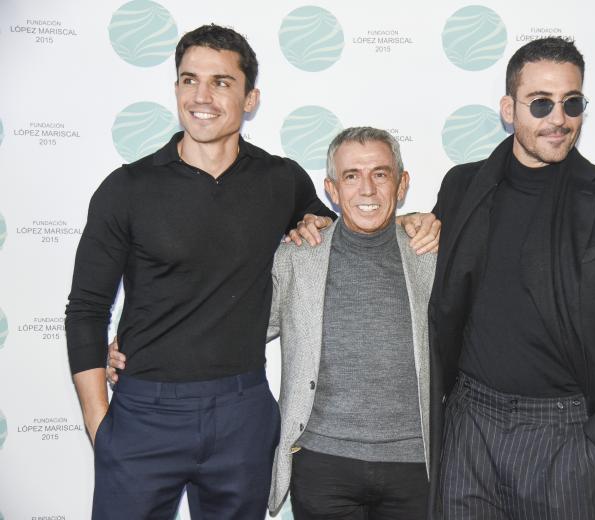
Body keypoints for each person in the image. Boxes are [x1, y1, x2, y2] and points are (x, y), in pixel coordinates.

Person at [65, 24, 436, 519]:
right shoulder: (126, 188)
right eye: (188, 79)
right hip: (144, 411)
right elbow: (86, 310)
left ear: (250, 98)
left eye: (221, 82)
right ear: (175, 88)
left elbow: (352, 219)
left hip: (242, 410)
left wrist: (411, 220)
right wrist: (100, 425)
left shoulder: (282, 181)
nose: (202, 96)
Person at [109, 127, 436, 519]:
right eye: (351, 176)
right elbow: (234, 325)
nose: (367, 189)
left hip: (415, 465)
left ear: (402, 185)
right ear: (332, 189)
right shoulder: (298, 256)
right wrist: (142, 346)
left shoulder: (432, 254)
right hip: (321, 462)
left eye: (380, 174)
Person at [427, 37, 595, 520]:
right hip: (470, 426)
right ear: (508, 108)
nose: (558, 118)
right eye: (540, 103)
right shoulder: (462, 185)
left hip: (565, 434)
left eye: (572, 102)